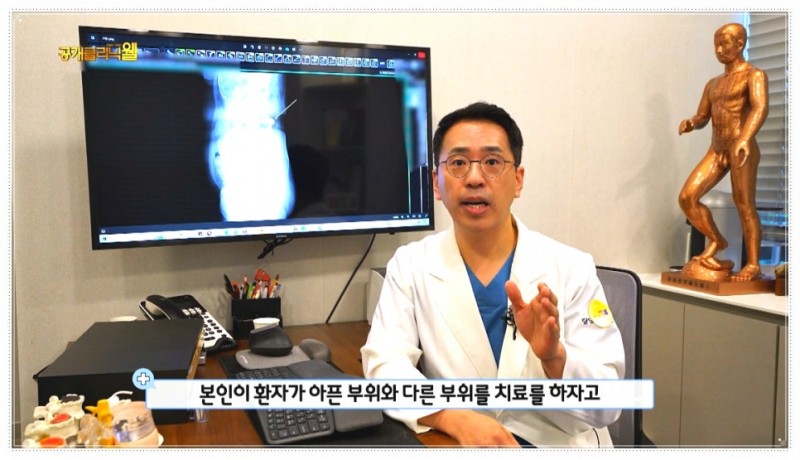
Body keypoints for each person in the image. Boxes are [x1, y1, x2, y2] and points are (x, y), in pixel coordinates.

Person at [361, 102, 625, 447]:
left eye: (492, 162)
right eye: (458, 163)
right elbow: (384, 365)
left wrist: (555, 358)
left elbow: (609, 402)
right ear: (436, 184)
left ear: (518, 180)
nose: (474, 178)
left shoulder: (572, 267)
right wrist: (448, 416)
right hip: (461, 441)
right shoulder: (410, 265)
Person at [678, 23, 769, 282]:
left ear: (740, 44)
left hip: (742, 147)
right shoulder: (713, 84)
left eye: (724, 44)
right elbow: (703, 115)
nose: (718, 50)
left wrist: (745, 138)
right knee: (687, 197)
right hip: (717, 149)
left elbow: (760, 108)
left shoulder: (754, 75)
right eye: (716, 45)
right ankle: (717, 240)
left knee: (744, 204)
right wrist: (692, 122)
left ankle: (753, 264)